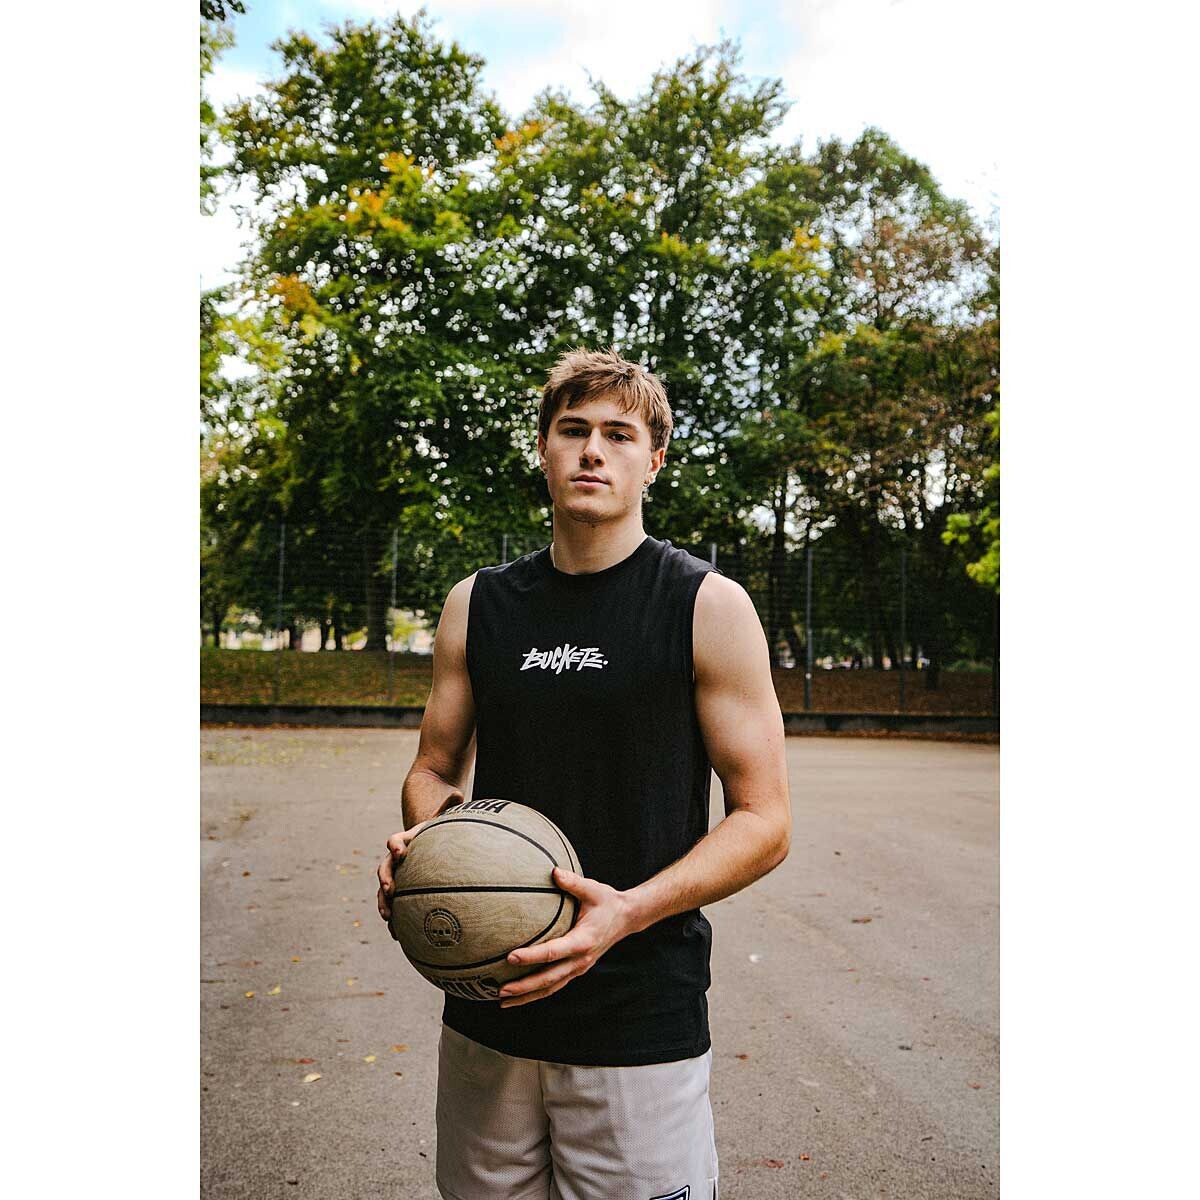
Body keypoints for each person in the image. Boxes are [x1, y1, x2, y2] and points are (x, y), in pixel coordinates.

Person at [377, 347, 791, 1200]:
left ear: (655, 459)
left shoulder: (705, 605)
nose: (592, 450)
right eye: (572, 430)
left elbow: (765, 819)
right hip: (489, 997)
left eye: (619, 434)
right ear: (544, 449)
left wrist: (626, 913)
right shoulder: (477, 604)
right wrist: (431, 846)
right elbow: (433, 767)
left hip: (638, 1013)